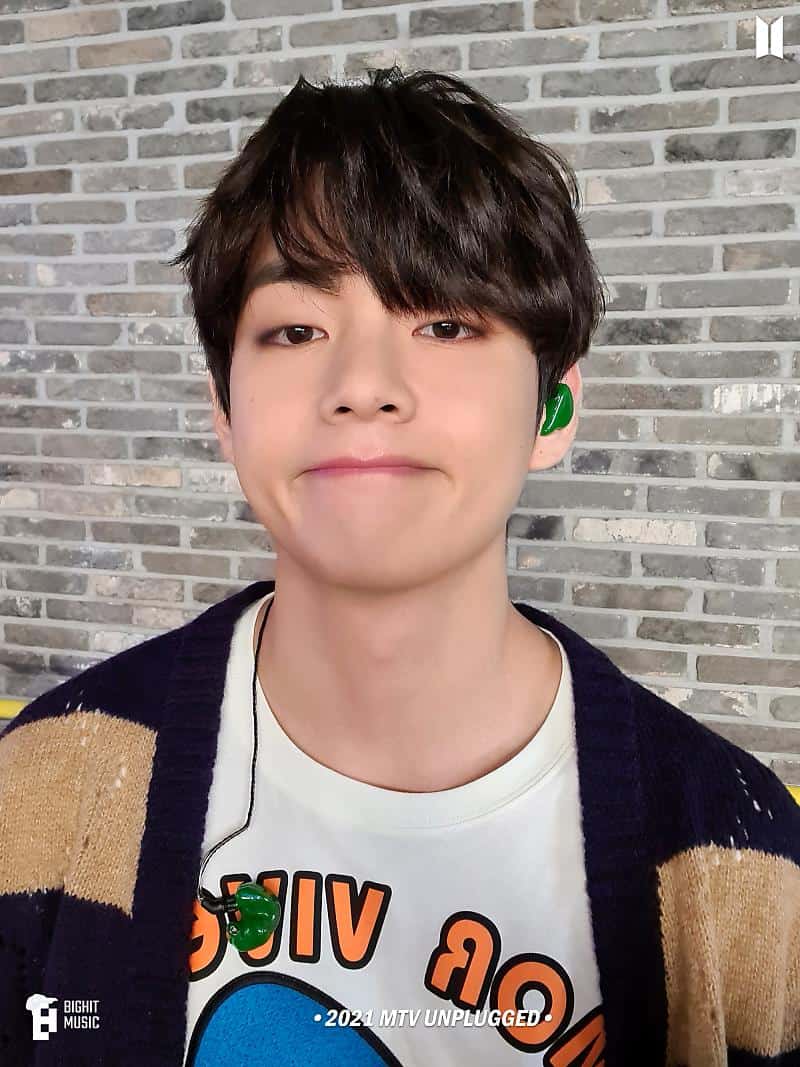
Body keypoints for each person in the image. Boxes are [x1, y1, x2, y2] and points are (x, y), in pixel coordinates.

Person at [0, 67, 798, 1067]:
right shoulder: (39, 787)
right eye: (296, 329)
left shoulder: (737, 856)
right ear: (224, 411)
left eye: (445, 323)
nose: (364, 385)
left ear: (553, 407)